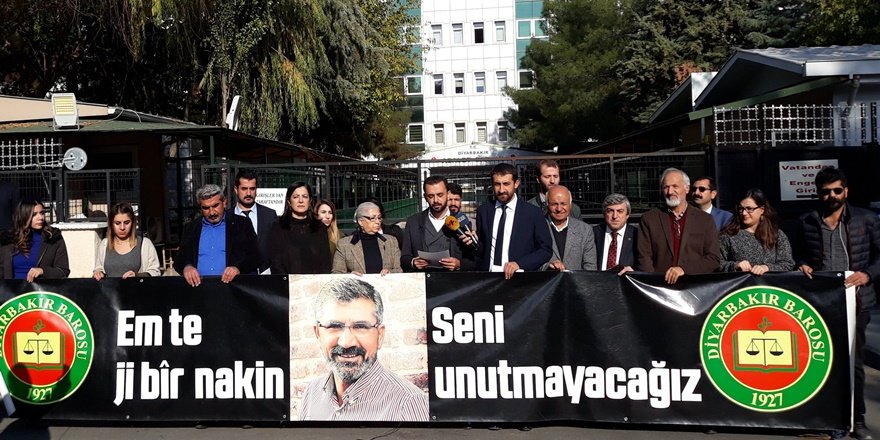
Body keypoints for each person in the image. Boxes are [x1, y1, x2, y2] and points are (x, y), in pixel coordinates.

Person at [795, 167, 880, 440]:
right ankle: (825, 419)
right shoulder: (807, 221)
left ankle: (858, 420)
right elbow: (799, 254)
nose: (831, 195)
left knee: (855, 364)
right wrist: (802, 264)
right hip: (822, 303)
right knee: (823, 362)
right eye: (825, 192)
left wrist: (867, 275)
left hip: (857, 302)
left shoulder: (866, 220)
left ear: (846, 191)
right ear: (818, 193)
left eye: (837, 190)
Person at [299, 277, 429, 421]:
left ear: (380, 336)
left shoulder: (409, 404)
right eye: (334, 326)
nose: (346, 343)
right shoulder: (312, 393)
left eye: (360, 327)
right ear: (318, 334)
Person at [636, 168, 720, 284]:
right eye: (666, 187)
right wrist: (653, 283)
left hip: (694, 286)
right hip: (660, 286)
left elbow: (713, 259)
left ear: (687, 188)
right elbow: (644, 257)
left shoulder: (705, 220)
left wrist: (684, 269)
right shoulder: (650, 219)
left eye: (675, 186)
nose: (670, 191)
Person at [475, 163, 552, 279]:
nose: (501, 190)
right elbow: (481, 250)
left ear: (516, 183)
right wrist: (471, 243)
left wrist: (520, 264)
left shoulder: (533, 213)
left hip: (519, 281)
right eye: (497, 184)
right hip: (488, 281)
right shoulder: (484, 211)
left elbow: (545, 250)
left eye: (506, 184)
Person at [173, 184, 259, 286]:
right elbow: (180, 258)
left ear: (224, 202)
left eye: (215, 206)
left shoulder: (241, 225)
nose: (212, 212)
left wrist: (238, 268)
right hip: (199, 288)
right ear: (200, 208)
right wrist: (187, 267)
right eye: (206, 208)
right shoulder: (191, 228)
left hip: (232, 288)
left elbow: (256, 256)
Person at [401, 176, 473, 272]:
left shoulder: (461, 221)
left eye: (440, 195)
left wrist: (459, 264)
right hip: (424, 279)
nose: (435, 200)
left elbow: (474, 260)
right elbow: (404, 258)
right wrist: (413, 262)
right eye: (431, 196)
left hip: (453, 279)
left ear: (448, 194)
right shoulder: (413, 222)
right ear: (425, 197)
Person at [719, 189, 794, 274]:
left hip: (770, 282)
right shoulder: (728, 235)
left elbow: (788, 264)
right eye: (741, 208)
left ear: (762, 210)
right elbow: (718, 264)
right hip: (742, 282)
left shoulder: (776, 234)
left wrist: (767, 267)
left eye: (749, 209)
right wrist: (735, 265)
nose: (744, 213)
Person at [267, 182, 332, 274]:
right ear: (289, 201)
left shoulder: (320, 228)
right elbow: (275, 262)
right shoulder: (278, 227)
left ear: (310, 201)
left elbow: (325, 263)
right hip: (286, 281)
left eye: (305, 197)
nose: (301, 200)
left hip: (316, 281)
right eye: (296, 197)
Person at [0, 199, 69, 281]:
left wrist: (43, 271)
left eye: (42, 213)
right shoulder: (8, 239)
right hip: (12, 288)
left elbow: (63, 271)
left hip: (40, 288)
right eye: (34, 214)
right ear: (24, 216)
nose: (40, 218)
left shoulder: (53, 237)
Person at [93, 202, 161, 279]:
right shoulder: (104, 244)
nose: (122, 227)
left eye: (126, 223)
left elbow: (155, 272)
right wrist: (98, 273)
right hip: (110, 287)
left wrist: (137, 276)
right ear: (111, 224)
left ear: (133, 222)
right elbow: (98, 269)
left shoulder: (145, 244)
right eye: (117, 223)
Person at [228, 169, 278, 273]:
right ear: (236, 190)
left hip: (265, 274)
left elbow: (277, 246)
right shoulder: (227, 217)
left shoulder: (269, 215)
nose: (248, 193)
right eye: (244, 189)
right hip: (237, 276)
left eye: (252, 189)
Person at [333, 202, 402, 275]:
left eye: (379, 218)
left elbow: (399, 270)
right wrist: (350, 276)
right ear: (360, 221)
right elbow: (336, 273)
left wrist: (390, 273)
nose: (378, 222)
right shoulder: (344, 245)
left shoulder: (391, 241)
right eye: (372, 218)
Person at [542, 185, 596, 271]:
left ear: (570, 205)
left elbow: (590, 267)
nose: (559, 209)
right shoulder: (536, 227)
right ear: (547, 204)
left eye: (563, 204)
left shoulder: (585, 230)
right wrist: (547, 267)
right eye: (554, 204)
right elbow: (531, 263)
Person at [594, 193, 637, 271]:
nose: (614, 216)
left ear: (627, 215)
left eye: (620, 211)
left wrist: (633, 273)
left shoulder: (637, 235)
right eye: (610, 211)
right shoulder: (593, 234)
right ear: (604, 214)